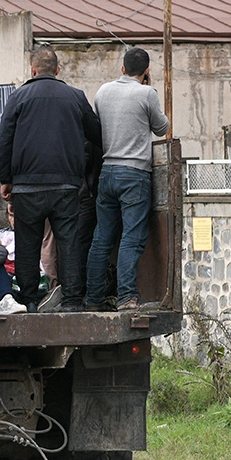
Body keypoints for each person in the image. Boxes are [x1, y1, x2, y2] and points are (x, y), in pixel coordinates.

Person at [0, 46, 102, 313]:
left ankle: (29, 299)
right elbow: (97, 133)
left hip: (27, 185)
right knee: (68, 242)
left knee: (28, 243)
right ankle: (72, 300)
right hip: (66, 185)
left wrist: (5, 178)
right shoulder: (75, 97)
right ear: (57, 70)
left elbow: (5, 140)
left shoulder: (18, 97)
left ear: (32, 71)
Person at [84, 46, 170, 311]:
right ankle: (126, 297)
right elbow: (162, 128)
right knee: (131, 238)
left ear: (122, 68)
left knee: (102, 238)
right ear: (146, 72)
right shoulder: (147, 93)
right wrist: (149, 87)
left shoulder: (103, 92)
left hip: (107, 172)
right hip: (134, 175)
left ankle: (93, 298)